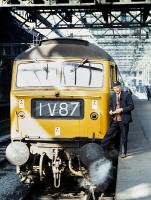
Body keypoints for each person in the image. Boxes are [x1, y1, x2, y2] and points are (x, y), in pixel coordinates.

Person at [101, 81, 134, 158]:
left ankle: (123, 152)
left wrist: (122, 109)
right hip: (115, 119)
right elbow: (110, 105)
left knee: (124, 136)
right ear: (113, 89)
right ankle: (101, 148)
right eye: (115, 88)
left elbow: (131, 106)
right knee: (109, 133)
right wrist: (110, 111)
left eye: (118, 87)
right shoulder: (112, 96)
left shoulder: (127, 95)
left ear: (121, 87)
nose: (117, 89)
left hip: (124, 119)